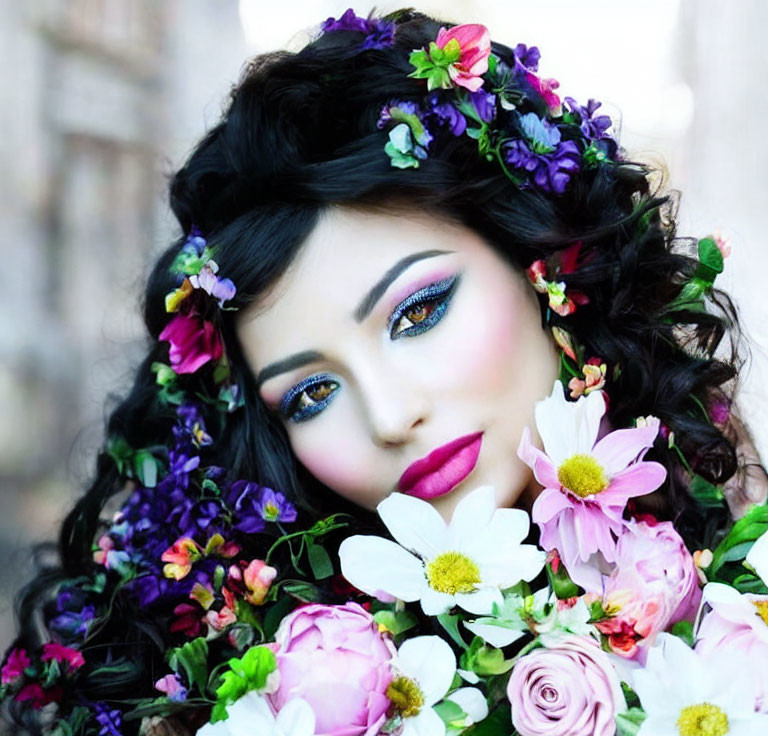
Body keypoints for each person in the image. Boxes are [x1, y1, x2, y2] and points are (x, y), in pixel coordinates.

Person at [2, 8, 765, 735]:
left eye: (419, 312)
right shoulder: (272, 698)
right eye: (312, 392)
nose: (390, 415)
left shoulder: (743, 589)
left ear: (544, 261)